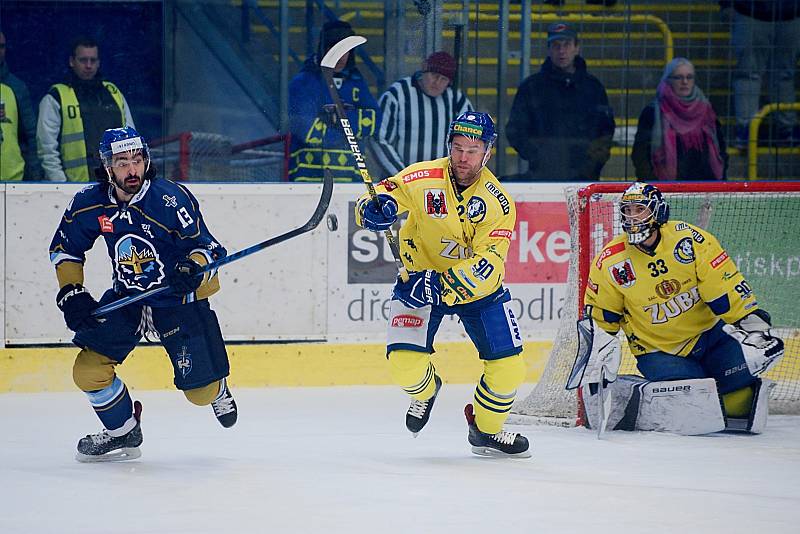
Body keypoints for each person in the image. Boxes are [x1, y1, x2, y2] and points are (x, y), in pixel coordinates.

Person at [49, 126, 237, 462]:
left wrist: (190, 267)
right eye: (122, 162)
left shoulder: (169, 199)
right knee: (88, 371)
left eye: (137, 160)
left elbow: (209, 247)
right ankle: (123, 432)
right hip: (129, 299)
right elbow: (66, 249)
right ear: (107, 167)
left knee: (200, 393)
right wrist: (72, 292)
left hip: (176, 301)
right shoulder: (89, 203)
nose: (132, 169)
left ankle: (218, 388)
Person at [354, 112, 530, 458]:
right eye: (458, 147)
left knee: (510, 368)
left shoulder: (499, 202)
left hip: (478, 292)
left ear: (488, 152)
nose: (463, 157)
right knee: (403, 364)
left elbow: (490, 263)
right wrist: (373, 209)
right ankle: (425, 392)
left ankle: (486, 430)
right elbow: (381, 195)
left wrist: (444, 284)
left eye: (473, 149)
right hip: (417, 279)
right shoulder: (422, 177)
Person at [580, 182, 784, 433]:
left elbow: (726, 292)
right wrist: (596, 362)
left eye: (639, 209)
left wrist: (756, 329)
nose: (632, 217)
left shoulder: (690, 240)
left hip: (711, 338)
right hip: (659, 351)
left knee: (744, 389)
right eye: (627, 210)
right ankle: (636, 391)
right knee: (695, 398)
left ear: (658, 212)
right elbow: (603, 317)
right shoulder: (610, 260)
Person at [505, 22, 615, 181]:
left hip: (584, 177)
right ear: (549, 50)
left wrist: (592, 165)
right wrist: (539, 157)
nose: (561, 51)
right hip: (543, 177)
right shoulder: (532, 87)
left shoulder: (593, 87)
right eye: (556, 45)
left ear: (577, 48)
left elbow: (605, 132)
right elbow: (515, 129)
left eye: (567, 44)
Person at [288, 20, 384, 182]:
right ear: (324, 49)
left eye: (345, 50)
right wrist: (348, 129)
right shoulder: (303, 82)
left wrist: (335, 120)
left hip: (351, 178)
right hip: (308, 178)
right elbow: (306, 128)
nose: (341, 56)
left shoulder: (357, 82)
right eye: (334, 49)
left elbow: (375, 120)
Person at [37, 36, 135, 182]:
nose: (88, 65)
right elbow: (46, 147)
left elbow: (131, 140)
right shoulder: (56, 97)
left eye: (93, 60)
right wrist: (60, 183)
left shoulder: (114, 93)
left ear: (99, 63)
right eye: (83, 60)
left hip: (115, 184)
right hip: (74, 185)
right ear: (72, 61)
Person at [372, 51, 473, 176]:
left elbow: (472, 143)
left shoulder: (458, 102)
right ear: (424, 69)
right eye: (434, 75)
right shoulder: (397, 95)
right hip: (401, 183)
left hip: (444, 183)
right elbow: (380, 139)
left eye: (444, 79)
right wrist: (403, 176)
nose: (437, 82)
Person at [631, 57, 728, 181]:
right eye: (678, 77)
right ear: (668, 80)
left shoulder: (706, 110)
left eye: (689, 77)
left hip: (705, 186)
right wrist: (652, 183)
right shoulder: (653, 112)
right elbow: (640, 154)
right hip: (665, 188)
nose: (685, 82)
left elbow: (720, 148)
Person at [721, 1, 800, 148]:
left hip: (760, 11)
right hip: (757, 10)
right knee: (780, 74)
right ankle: (782, 129)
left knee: (753, 74)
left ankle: (749, 130)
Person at [0, 30, 41, 180]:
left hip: (13, 179)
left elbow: (30, 137)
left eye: (2, 46)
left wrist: (35, 175)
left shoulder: (16, 88)